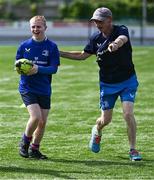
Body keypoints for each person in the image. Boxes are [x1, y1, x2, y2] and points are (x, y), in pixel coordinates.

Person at [60, 7, 142, 161]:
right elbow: (82, 55)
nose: (97, 24)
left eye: (100, 21)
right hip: (107, 83)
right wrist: (60, 53)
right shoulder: (95, 39)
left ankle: (133, 149)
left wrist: (115, 45)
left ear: (109, 20)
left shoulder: (121, 30)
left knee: (128, 113)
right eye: (95, 21)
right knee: (106, 120)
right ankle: (97, 130)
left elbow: (122, 39)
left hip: (127, 80)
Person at [15, 16, 60, 159]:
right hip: (27, 87)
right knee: (35, 117)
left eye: (39, 27)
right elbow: (17, 64)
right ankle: (24, 143)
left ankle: (35, 149)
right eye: (33, 27)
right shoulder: (24, 46)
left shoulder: (52, 47)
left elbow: (53, 69)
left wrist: (37, 69)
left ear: (45, 28)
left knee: (42, 122)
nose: (36, 29)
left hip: (44, 89)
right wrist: (20, 68)